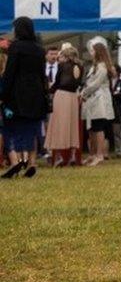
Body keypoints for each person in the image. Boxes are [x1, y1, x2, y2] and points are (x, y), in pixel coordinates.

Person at [0, 17, 47, 179]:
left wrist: (3, 94)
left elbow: (10, 73)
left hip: (18, 93)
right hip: (37, 93)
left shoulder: (16, 48)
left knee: (15, 128)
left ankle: (18, 160)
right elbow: (43, 75)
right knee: (33, 129)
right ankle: (32, 162)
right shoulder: (40, 50)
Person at [45, 44, 84, 166]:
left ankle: (58, 156)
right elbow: (79, 83)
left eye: (61, 55)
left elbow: (57, 82)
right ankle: (72, 155)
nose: (58, 58)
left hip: (61, 96)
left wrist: (48, 90)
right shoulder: (80, 67)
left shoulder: (62, 66)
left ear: (66, 56)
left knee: (58, 125)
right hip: (73, 97)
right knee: (72, 126)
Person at [80, 41, 115, 167]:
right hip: (92, 100)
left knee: (98, 127)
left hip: (99, 99)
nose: (91, 53)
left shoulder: (102, 67)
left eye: (93, 51)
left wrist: (83, 93)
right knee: (92, 128)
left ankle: (99, 155)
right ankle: (93, 154)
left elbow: (95, 84)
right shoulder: (95, 66)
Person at [109, 64, 121, 155]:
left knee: (117, 131)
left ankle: (118, 149)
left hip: (118, 109)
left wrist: (112, 94)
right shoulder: (107, 82)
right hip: (108, 108)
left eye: (114, 70)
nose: (112, 72)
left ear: (118, 72)